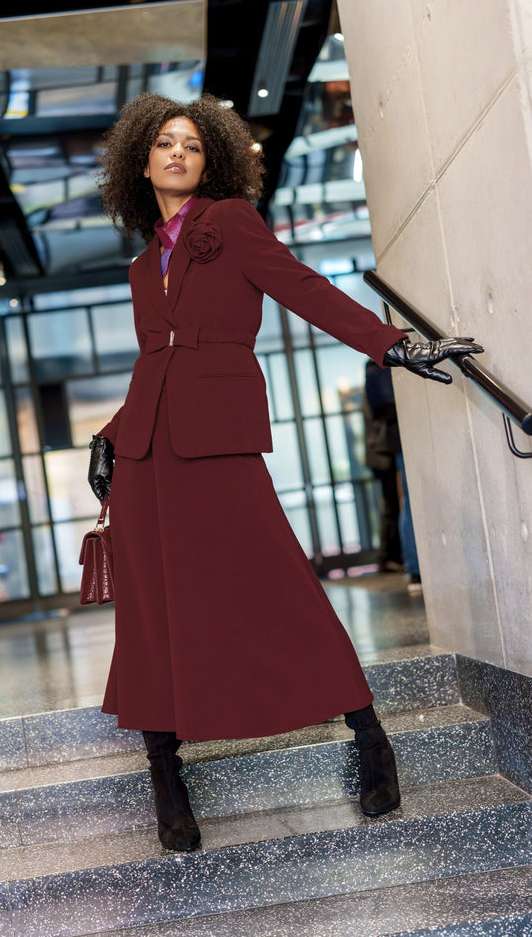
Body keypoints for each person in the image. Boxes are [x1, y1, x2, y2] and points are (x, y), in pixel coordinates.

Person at [87, 92, 483, 853]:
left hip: (218, 440)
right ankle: (165, 771)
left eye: (192, 144)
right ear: (141, 161)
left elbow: (302, 286)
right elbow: (154, 364)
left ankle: (368, 734)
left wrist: (391, 344)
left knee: (277, 582)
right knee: (152, 610)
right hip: (144, 454)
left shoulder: (230, 222)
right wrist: (110, 436)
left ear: (212, 161)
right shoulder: (142, 267)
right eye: (164, 143)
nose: (177, 153)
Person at [363, 359, 422, 592]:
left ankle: (414, 567)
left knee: (406, 501)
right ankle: (413, 566)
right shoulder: (383, 363)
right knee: (408, 501)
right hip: (402, 435)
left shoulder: (375, 366)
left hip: (396, 439)